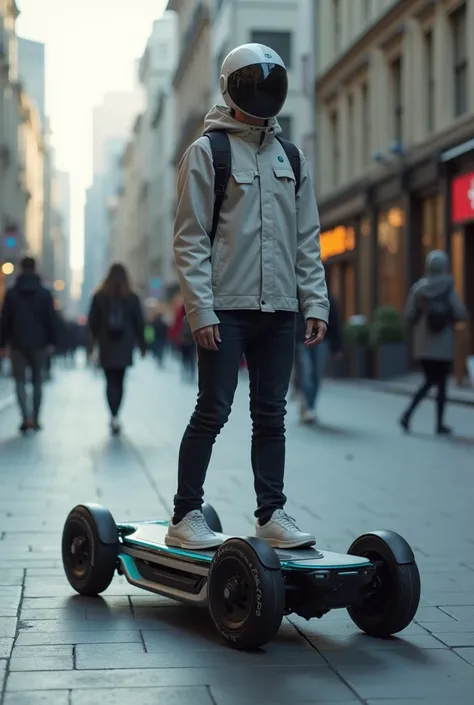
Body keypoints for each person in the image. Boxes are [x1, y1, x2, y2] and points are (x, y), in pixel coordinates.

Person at [167, 43, 329, 550]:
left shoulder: (291, 156)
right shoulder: (208, 151)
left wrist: (315, 301)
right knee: (212, 410)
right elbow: (190, 238)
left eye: (270, 84)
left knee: (271, 415)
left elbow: (307, 236)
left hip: (279, 310)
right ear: (232, 89)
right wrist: (200, 310)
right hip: (226, 311)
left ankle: (271, 514)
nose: (262, 93)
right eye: (252, 85)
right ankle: (185, 515)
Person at [400, 250, 468, 435]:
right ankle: (436, 422)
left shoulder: (418, 289)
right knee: (440, 383)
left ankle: (410, 415)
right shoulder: (448, 287)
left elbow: (409, 315)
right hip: (444, 343)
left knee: (429, 380)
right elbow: (460, 312)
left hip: (423, 344)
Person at [0, 256, 58, 432]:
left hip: (17, 344)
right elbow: (51, 320)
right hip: (39, 344)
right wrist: (52, 342)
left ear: (19, 268)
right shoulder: (44, 293)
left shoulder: (12, 293)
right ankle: (36, 417)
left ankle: (25, 417)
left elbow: (5, 321)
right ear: (36, 268)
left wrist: (3, 343)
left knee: (19, 381)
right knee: (37, 381)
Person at [87, 263, 146, 435]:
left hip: (106, 345)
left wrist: (90, 347)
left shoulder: (99, 297)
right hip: (124, 345)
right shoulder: (133, 297)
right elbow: (140, 323)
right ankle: (116, 415)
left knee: (109, 381)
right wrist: (143, 345)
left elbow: (92, 324)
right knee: (120, 381)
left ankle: (112, 415)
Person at [295, 286, 342, 423]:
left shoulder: (325, 294)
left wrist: (337, 347)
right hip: (302, 338)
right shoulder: (299, 293)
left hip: (322, 339)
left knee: (316, 374)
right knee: (307, 372)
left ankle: (310, 406)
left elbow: (334, 319)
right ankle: (307, 405)